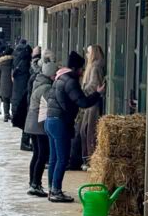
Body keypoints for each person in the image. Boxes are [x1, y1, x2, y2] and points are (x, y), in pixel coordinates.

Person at [44, 51, 104, 203]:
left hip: (50, 121)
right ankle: (56, 191)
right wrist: (97, 94)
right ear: (76, 68)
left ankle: (52, 188)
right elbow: (82, 102)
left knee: (54, 158)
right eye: (82, 68)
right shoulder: (70, 81)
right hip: (59, 123)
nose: (83, 71)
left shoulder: (59, 78)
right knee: (63, 159)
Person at [24, 55, 57, 197]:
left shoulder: (38, 82)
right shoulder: (47, 87)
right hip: (39, 124)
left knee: (37, 154)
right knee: (42, 155)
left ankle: (33, 182)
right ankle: (36, 184)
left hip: (32, 123)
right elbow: (51, 104)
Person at [78, 44, 106, 169]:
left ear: (93, 54)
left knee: (89, 131)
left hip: (92, 102)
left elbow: (95, 85)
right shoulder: (92, 67)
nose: (86, 55)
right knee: (85, 131)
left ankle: (90, 160)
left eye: (88, 52)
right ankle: (87, 159)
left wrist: (82, 91)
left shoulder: (95, 67)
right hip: (89, 102)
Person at [0, 46, 15, 121]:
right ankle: (13, 115)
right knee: (13, 100)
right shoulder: (14, 62)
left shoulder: (1, 63)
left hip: (3, 84)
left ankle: (6, 115)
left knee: (5, 100)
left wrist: (1, 80)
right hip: (13, 84)